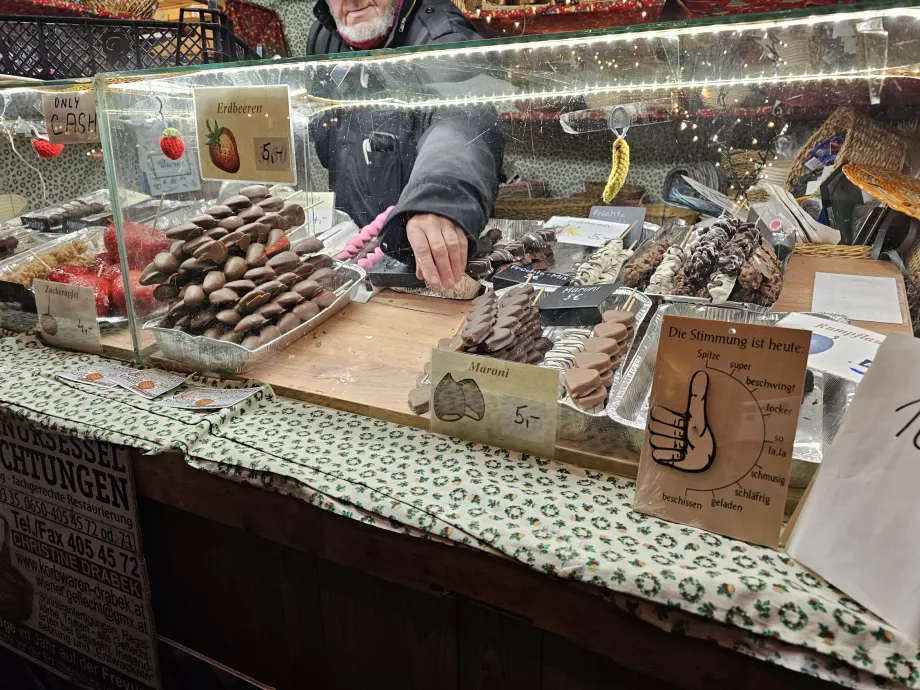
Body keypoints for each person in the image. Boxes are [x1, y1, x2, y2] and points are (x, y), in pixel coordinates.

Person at [308, 0, 504, 289]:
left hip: (421, 256)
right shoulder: (324, 34)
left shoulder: (442, 35)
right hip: (352, 252)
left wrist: (437, 198)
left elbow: (464, 119)